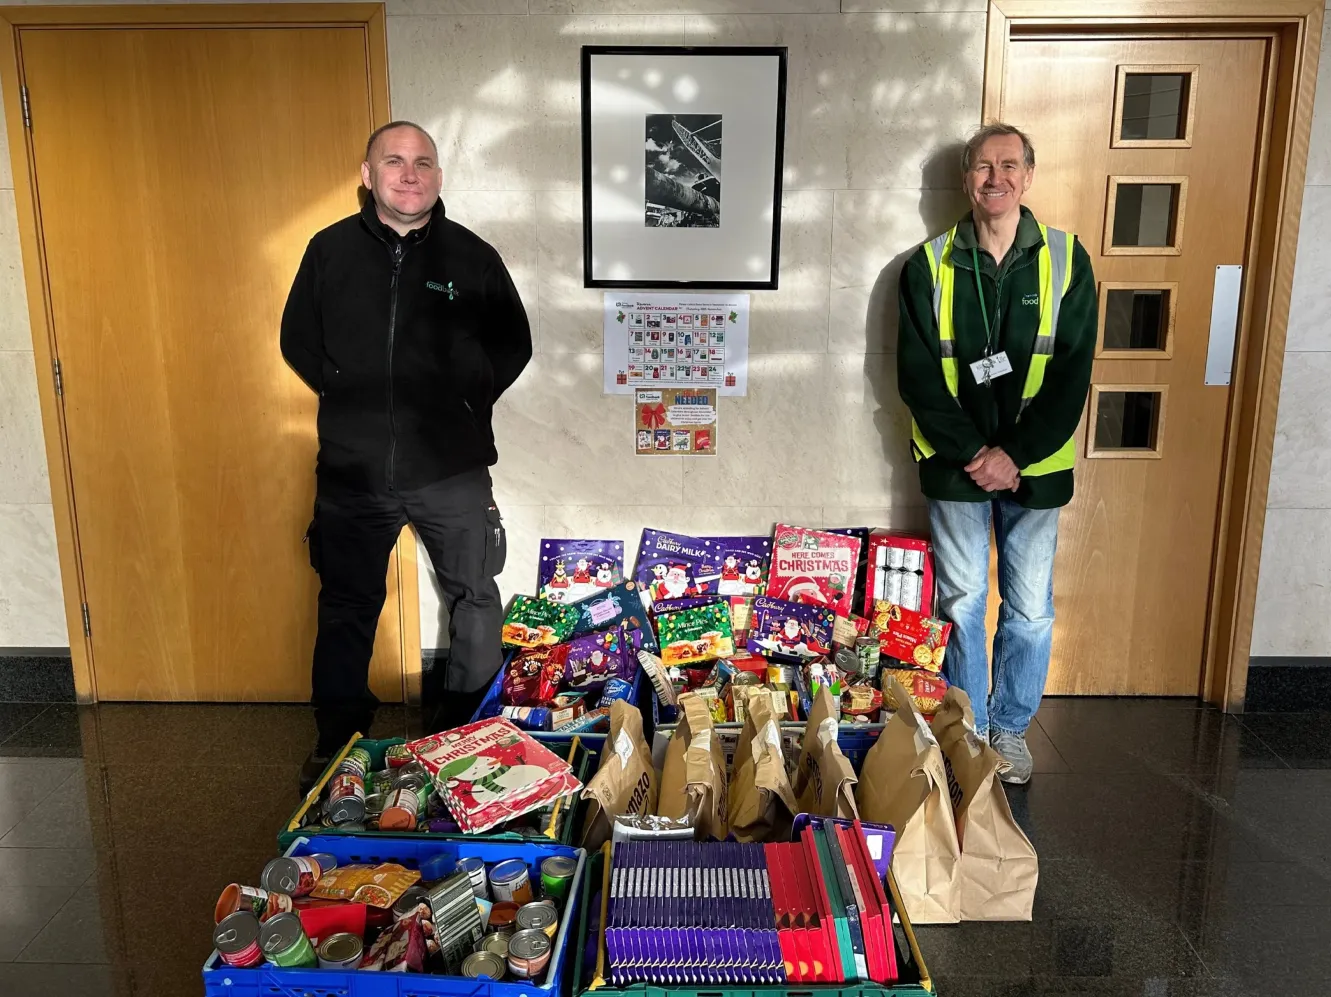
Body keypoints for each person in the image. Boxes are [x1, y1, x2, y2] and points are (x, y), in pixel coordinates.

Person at [281, 120, 532, 787]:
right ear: (368, 176)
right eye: (393, 161)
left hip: (449, 467)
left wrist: (461, 404)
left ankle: (469, 735)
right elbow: (298, 341)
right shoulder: (328, 251)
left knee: (474, 597)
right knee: (345, 604)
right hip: (352, 470)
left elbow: (513, 344)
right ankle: (336, 741)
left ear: (438, 177)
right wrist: (350, 398)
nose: (409, 173)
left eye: (423, 162)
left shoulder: (471, 257)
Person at [896, 123, 1096, 784]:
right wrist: (975, 452)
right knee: (959, 600)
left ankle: (1008, 728)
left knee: (1030, 605)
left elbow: (1070, 374)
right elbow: (918, 376)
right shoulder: (926, 264)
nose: (995, 178)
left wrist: (1012, 453)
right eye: (982, 166)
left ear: (1027, 176)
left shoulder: (1068, 260)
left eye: (1008, 165)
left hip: (1034, 469)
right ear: (965, 179)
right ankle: (968, 728)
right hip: (955, 466)